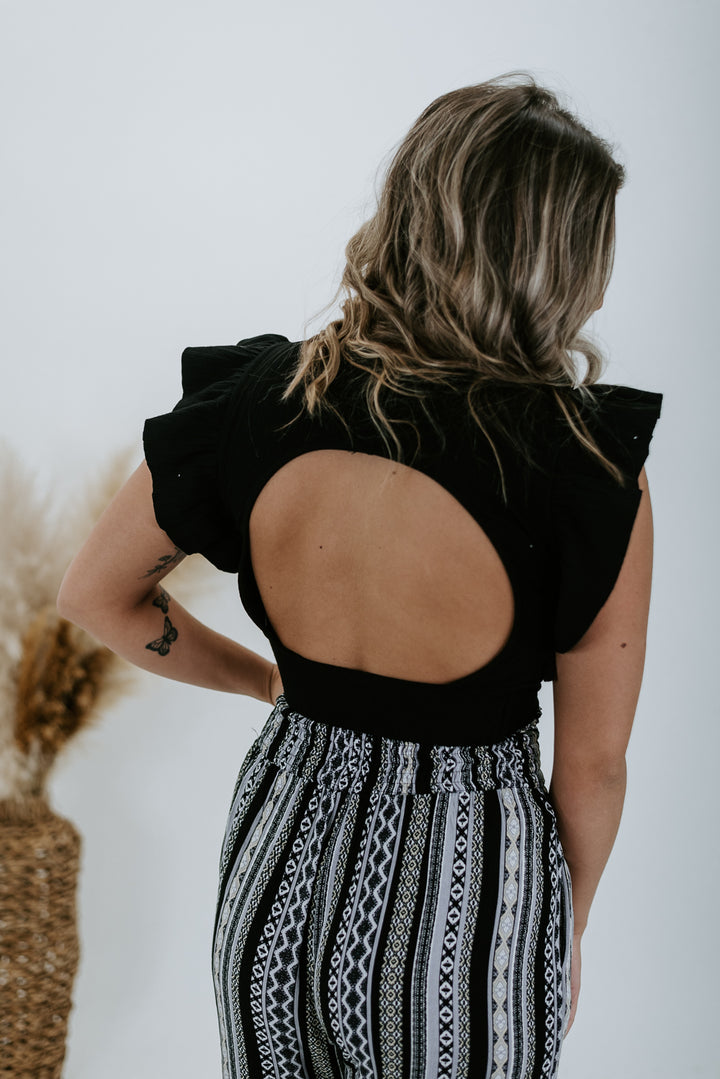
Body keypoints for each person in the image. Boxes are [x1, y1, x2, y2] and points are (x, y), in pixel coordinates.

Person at [58, 73, 662, 1079]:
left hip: (280, 856)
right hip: (469, 895)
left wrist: (268, 682)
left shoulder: (259, 399)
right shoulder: (587, 469)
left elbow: (95, 595)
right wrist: (563, 929)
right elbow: (593, 765)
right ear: (562, 258)